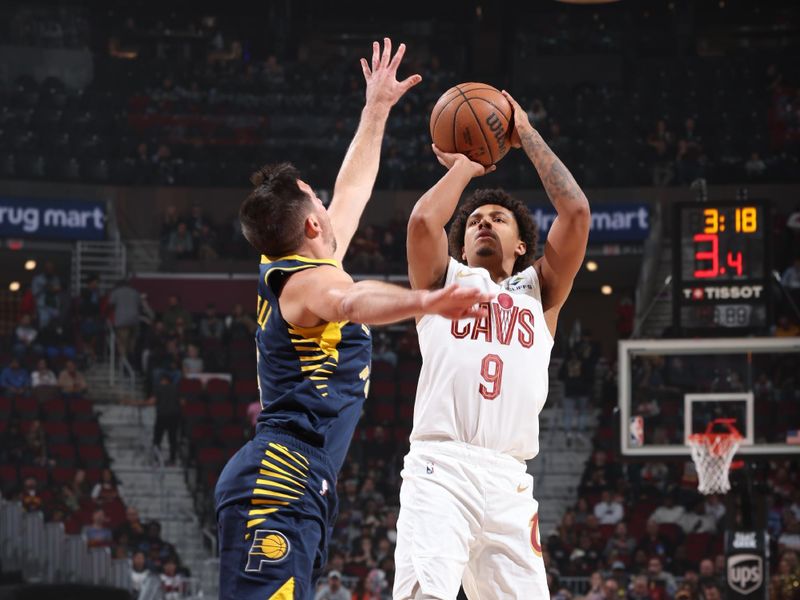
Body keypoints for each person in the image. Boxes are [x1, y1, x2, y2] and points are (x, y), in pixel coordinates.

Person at [213, 39, 488, 600]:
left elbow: (353, 189)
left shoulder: (293, 254)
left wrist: (376, 110)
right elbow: (352, 302)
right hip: (277, 481)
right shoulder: (311, 284)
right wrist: (428, 301)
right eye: (317, 202)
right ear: (312, 224)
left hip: (299, 481)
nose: (328, 206)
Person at [395, 89, 590, 599]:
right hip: (441, 466)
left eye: (497, 219)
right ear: (460, 246)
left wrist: (523, 134)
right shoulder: (443, 279)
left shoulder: (540, 292)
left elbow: (576, 213)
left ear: (522, 244)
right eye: (475, 221)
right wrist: (467, 166)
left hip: (509, 480)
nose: (484, 222)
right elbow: (421, 223)